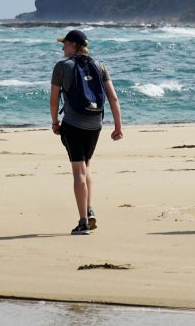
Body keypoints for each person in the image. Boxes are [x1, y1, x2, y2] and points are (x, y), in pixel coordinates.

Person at [50, 29, 123, 235]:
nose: (63, 47)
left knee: (78, 171)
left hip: (73, 125)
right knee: (86, 166)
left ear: (74, 45)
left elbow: (54, 99)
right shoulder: (100, 66)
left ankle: (83, 222)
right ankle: (89, 208)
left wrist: (55, 122)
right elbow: (113, 98)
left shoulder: (62, 67)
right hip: (95, 125)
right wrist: (118, 126)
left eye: (65, 43)